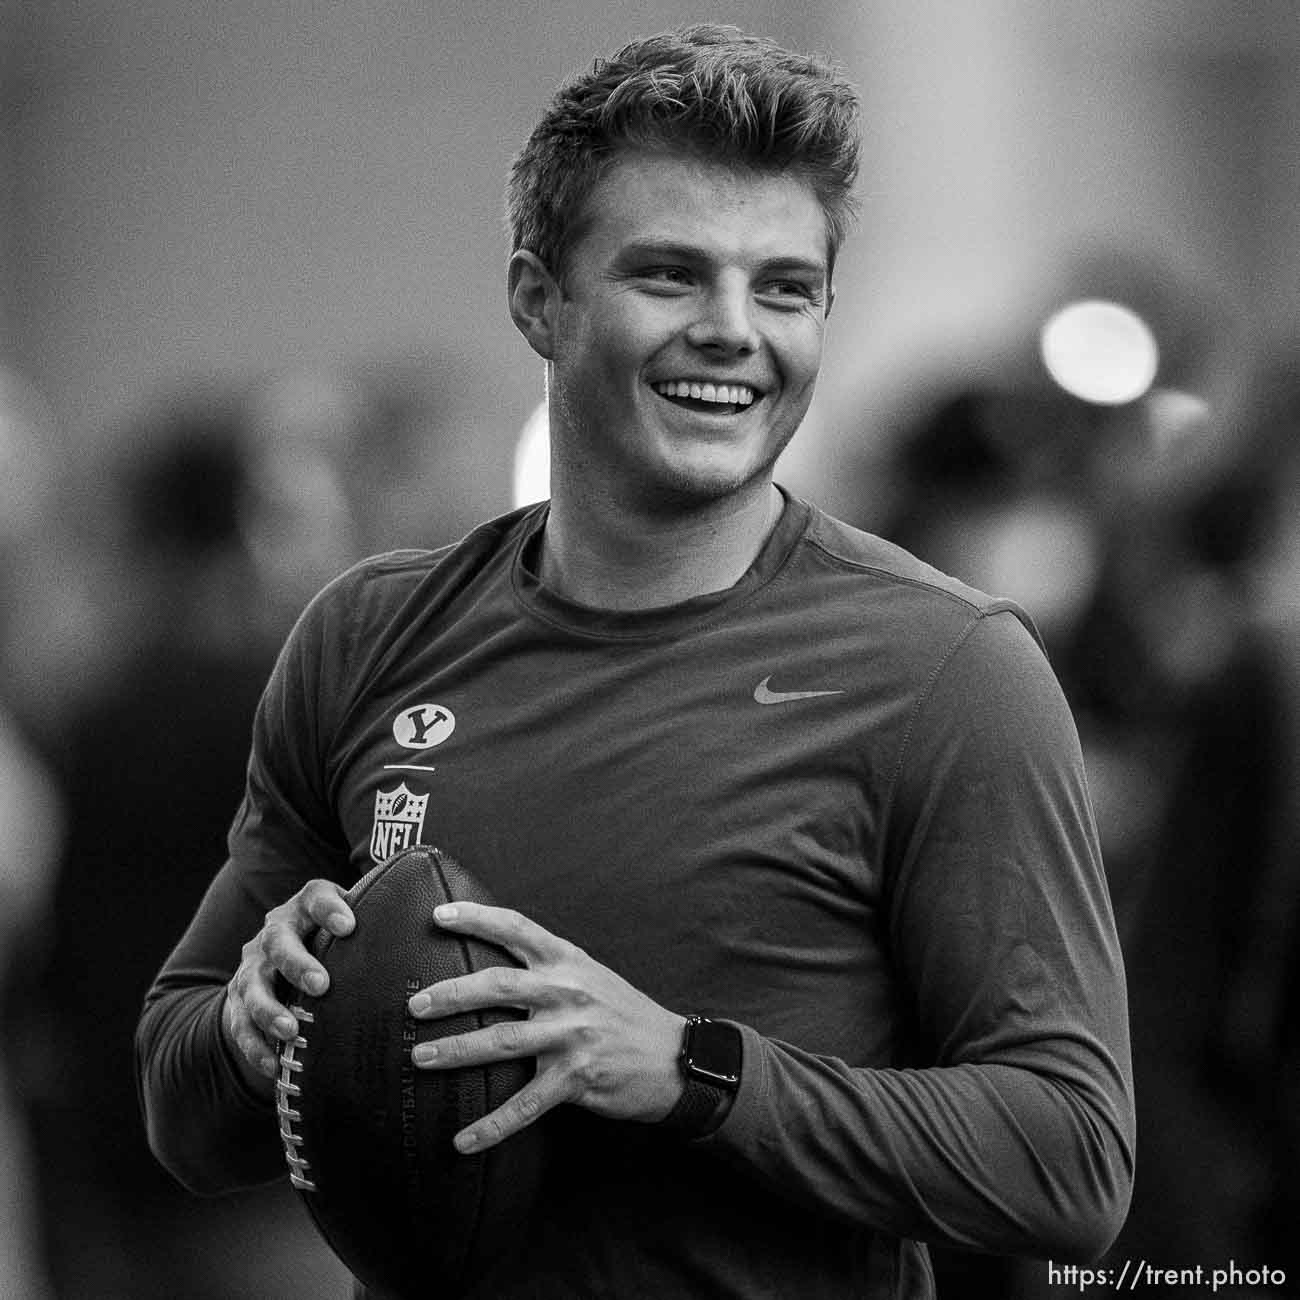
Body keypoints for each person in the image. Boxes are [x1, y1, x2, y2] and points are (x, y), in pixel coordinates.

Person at [136, 24, 1134, 1299]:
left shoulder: (947, 669)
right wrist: (247, 1024)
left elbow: (1073, 1163)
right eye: (670, 275)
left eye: (783, 288)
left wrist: (688, 1070)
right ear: (538, 298)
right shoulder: (368, 636)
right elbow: (181, 1113)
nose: (732, 331)